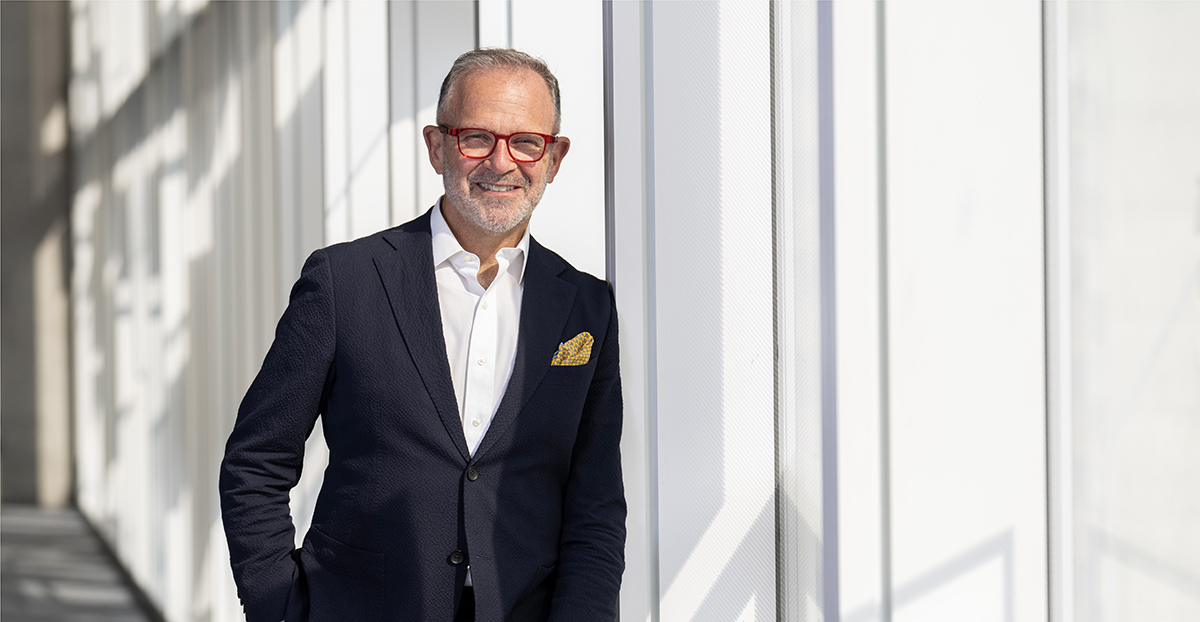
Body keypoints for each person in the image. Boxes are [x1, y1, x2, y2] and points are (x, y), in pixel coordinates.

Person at [219, 48, 626, 622]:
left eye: (526, 142)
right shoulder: (345, 282)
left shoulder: (585, 306)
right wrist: (278, 609)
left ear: (554, 158)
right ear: (437, 147)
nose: (501, 162)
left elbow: (596, 504)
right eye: (477, 138)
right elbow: (255, 462)